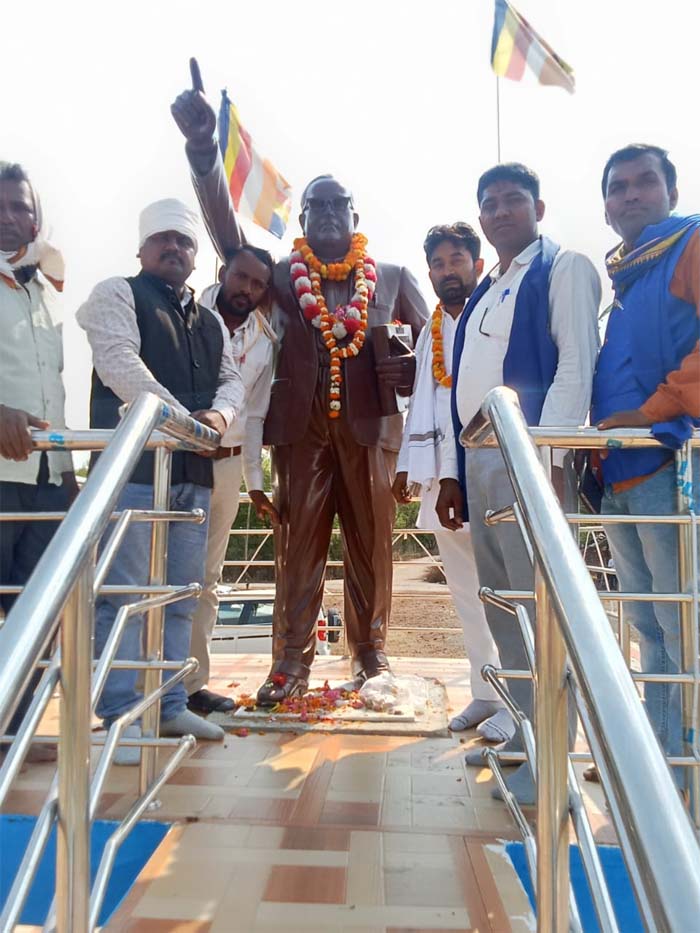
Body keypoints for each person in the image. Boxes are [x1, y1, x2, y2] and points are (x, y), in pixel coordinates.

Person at [171, 61, 429, 705]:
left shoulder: (394, 276)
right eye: (315, 205)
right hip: (299, 433)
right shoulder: (283, 276)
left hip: (372, 432)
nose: (327, 213)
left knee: (373, 545)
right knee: (297, 545)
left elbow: (437, 352)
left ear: (355, 213)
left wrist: (411, 372)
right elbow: (228, 241)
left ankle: (371, 654)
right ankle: (290, 660)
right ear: (302, 216)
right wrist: (204, 152)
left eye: (337, 204)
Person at [436, 163, 601, 803]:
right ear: (481, 216)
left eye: (513, 200)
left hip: (530, 458)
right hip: (482, 460)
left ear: (538, 208)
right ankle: (528, 737)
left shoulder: (563, 268)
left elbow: (575, 368)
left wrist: (548, 463)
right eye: (491, 203)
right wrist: (457, 472)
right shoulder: (489, 287)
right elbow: (465, 388)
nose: (501, 211)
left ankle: (555, 760)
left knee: (540, 611)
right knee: (505, 608)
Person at [77, 198, 245, 763]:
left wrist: (218, 417)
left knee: (180, 596)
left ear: (195, 255)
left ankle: (170, 705)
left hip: (192, 475)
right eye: (163, 239)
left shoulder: (210, 319)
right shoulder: (116, 294)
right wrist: (188, 425)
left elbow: (232, 380)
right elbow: (119, 364)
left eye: (184, 241)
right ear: (142, 248)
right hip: (135, 472)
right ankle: (122, 715)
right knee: (127, 597)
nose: (174, 248)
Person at [592, 144, 699, 782]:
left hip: (667, 462)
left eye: (644, 182)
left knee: (681, 624)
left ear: (671, 193)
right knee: (648, 625)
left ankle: (683, 771)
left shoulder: (689, 244)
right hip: (619, 473)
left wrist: (654, 409)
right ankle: (658, 764)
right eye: (618, 187)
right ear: (606, 207)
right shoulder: (629, 274)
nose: (630, 194)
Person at [393, 223, 513, 743]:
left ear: (477, 264)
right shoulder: (431, 329)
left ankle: (517, 700)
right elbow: (426, 401)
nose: (448, 271)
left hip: (485, 473)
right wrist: (408, 465)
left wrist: (453, 476)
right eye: (438, 264)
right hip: (443, 482)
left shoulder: (491, 315)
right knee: (466, 594)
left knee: (504, 594)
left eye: (457, 260)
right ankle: (485, 692)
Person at [0, 161, 78, 763]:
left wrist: (71, 473)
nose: (8, 217)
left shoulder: (44, 289)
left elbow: (53, 386)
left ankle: (16, 733)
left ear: (36, 217)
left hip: (49, 476)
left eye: (19, 206)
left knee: (36, 611)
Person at [186, 244, 278, 715]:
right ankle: (144, 685)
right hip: (177, 457)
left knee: (207, 577)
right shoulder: (186, 313)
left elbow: (255, 416)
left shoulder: (266, 339)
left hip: (226, 466)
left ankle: (191, 684)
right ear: (224, 272)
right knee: (161, 572)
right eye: (241, 277)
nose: (247, 289)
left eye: (258, 284)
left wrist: (255, 483)